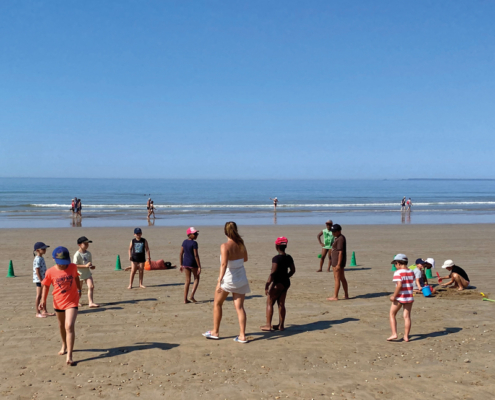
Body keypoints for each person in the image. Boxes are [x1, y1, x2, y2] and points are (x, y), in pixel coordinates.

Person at [203, 221, 250, 343]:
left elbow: (223, 264)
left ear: (225, 231)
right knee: (239, 308)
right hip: (241, 278)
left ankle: (215, 331)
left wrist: (219, 281)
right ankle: (242, 336)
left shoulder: (225, 246)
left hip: (228, 279)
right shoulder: (241, 244)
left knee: (217, 303)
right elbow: (245, 259)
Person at [39, 246, 81, 365]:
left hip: (72, 301)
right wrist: (43, 301)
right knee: (62, 325)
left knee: (69, 325)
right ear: (54, 260)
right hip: (58, 302)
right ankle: (64, 344)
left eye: (65, 263)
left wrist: (79, 290)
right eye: (61, 263)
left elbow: (76, 277)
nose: (63, 265)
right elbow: (46, 286)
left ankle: (70, 356)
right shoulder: (50, 272)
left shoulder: (72, 267)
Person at [260, 236, 295, 332]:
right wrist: (286, 276)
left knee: (270, 302)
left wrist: (267, 284)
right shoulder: (288, 257)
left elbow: (273, 272)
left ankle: (268, 325)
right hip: (286, 282)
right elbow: (293, 270)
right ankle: (281, 325)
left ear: (277, 246)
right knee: (281, 303)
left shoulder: (276, 258)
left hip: (277, 283)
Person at [388, 254, 414, 342]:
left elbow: (399, 285)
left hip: (400, 297)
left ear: (398, 263)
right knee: (407, 317)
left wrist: (393, 296)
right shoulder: (411, 271)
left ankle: (394, 333)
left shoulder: (398, 272)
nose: (395, 266)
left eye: (395, 264)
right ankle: (406, 336)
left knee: (392, 314)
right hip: (409, 297)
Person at [73, 236, 99, 308]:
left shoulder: (88, 253)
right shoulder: (77, 254)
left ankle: (91, 302)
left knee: (91, 286)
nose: (87, 245)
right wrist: (85, 266)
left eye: (88, 244)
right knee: (79, 290)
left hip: (87, 273)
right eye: (85, 244)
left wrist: (91, 266)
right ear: (79, 245)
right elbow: (75, 265)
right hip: (79, 274)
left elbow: (89, 263)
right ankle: (76, 301)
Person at [326, 224, 349, 301]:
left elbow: (340, 252)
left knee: (337, 279)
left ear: (339, 231)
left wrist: (338, 264)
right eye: (332, 232)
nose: (333, 233)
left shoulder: (340, 239)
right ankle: (346, 294)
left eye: (335, 232)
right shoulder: (338, 238)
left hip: (337, 262)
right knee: (342, 278)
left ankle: (335, 296)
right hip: (335, 261)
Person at [180, 227, 202, 303]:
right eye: (195, 234)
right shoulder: (194, 243)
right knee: (196, 278)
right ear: (190, 235)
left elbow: (181, 253)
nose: (196, 235)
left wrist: (181, 264)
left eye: (197, 234)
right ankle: (192, 295)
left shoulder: (184, 242)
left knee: (187, 281)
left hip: (185, 263)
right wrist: (199, 266)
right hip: (193, 263)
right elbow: (196, 255)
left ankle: (185, 299)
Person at [33, 242, 55, 318]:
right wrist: (41, 281)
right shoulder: (37, 259)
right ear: (37, 250)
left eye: (45, 248)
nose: (45, 250)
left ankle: (44, 311)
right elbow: (37, 271)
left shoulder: (41, 258)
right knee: (39, 295)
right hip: (39, 280)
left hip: (43, 279)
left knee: (43, 295)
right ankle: (37, 312)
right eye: (43, 249)